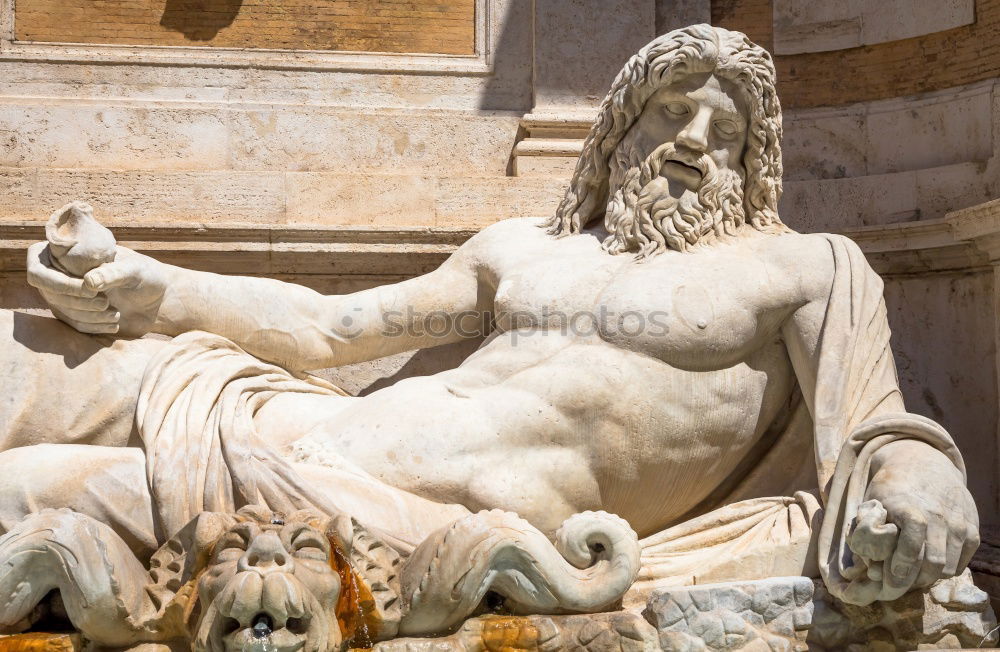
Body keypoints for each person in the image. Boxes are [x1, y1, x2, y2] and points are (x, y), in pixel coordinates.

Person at [4, 24, 978, 606]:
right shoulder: (522, 245)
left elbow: (877, 431)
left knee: (28, 495)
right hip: (312, 429)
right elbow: (328, 330)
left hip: (416, 517)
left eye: (724, 132)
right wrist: (146, 283)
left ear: (752, 157)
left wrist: (924, 490)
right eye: (672, 113)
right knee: (38, 383)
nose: (692, 141)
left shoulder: (803, 268)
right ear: (617, 131)